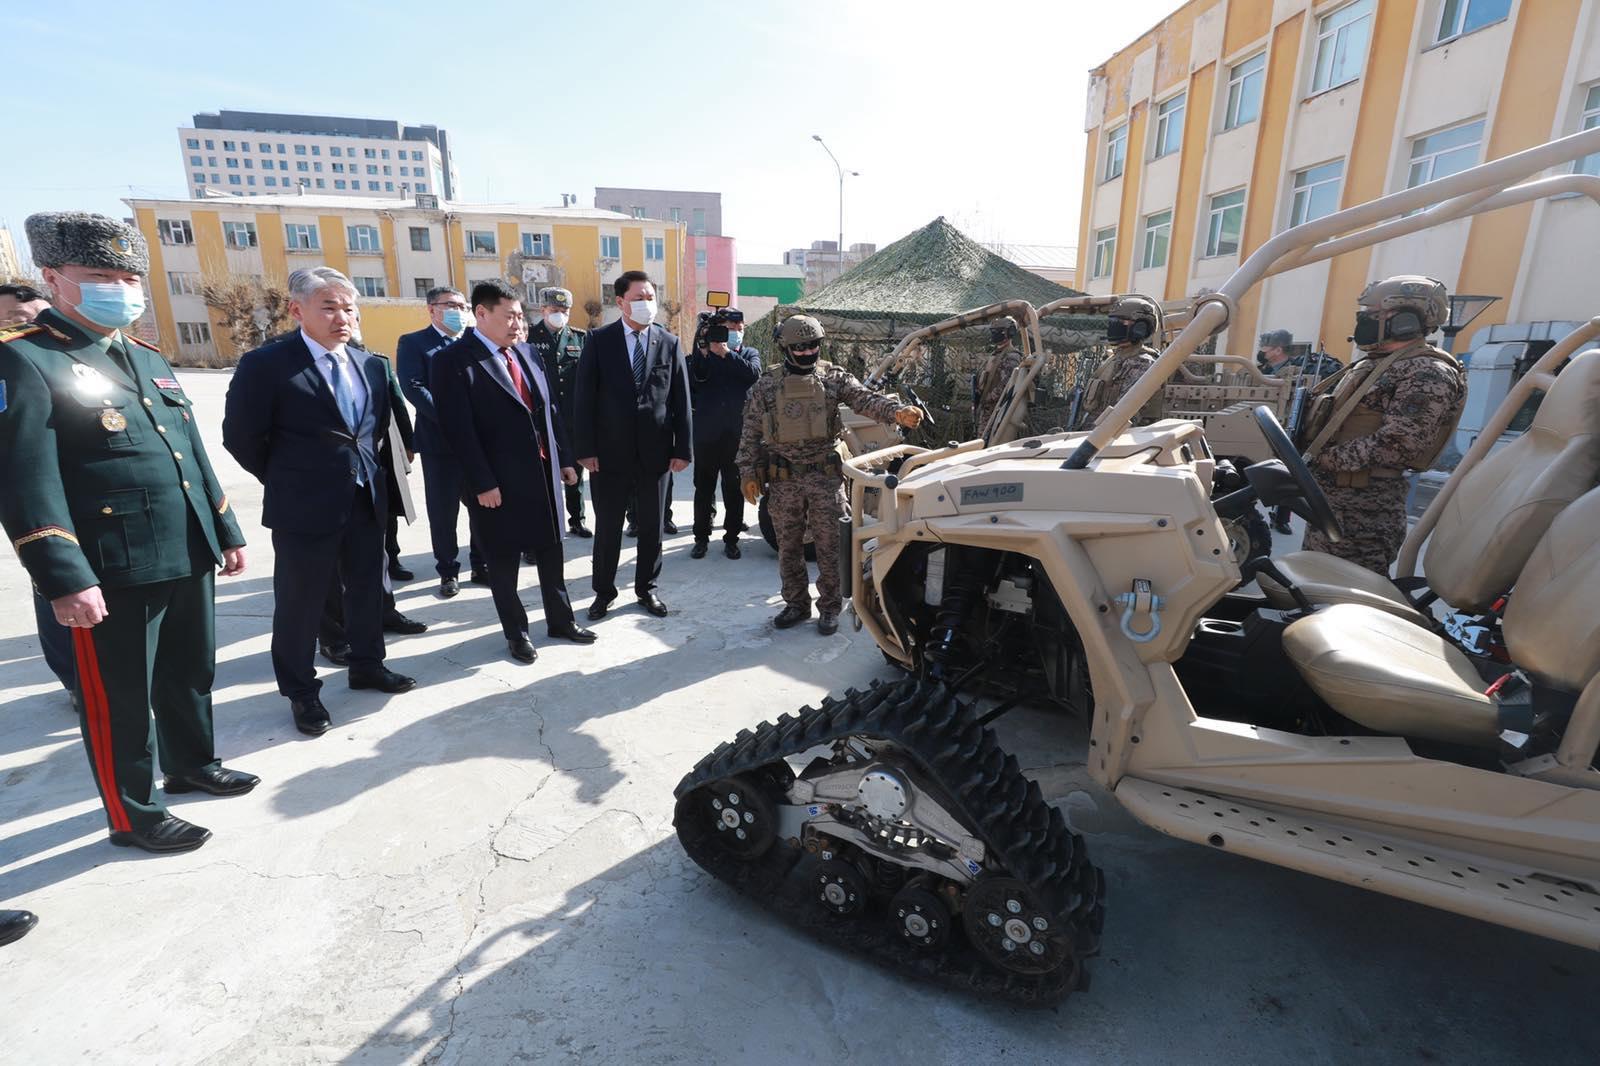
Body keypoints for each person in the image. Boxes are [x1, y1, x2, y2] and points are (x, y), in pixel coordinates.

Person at [0, 212, 256, 854]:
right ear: (55, 278)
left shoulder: (145, 355)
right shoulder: (26, 357)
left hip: (185, 545)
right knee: (118, 698)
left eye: (129, 277)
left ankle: (192, 764)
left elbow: (187, 449)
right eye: (101, 276)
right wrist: (64, 577)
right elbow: (26, 478)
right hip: (109, 563)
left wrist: (223, 526)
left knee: (189, 671)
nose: (120, 288)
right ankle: (134, 814)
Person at [223, 267, 415, 739]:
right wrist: (287, 478)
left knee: (368, 588)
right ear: (297, 310)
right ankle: (301, 691)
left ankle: (368, 664)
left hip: (365, 496)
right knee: (301, 602)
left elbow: (373, 430)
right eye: (329, 307)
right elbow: (241, 437)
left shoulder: (370, 364)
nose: (342, 318)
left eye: (349, 308)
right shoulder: (267, 364)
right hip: (303, 505)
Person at [428, 281, 594, 662]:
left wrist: (564, 459)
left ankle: (561, 621)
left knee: (551, 551)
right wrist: (482, 482)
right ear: (481, 314)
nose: (518, 324)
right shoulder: (453, 361)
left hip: (542, 472)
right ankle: (517, 634)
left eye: (520, 316)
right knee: (503, 562)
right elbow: (458, 431)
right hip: (496, 482)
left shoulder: (528, 352)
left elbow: (550, 410)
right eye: (509, 317)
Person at [738, 314, 922, 635]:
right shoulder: (767, 385)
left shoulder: (833, 378)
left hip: (825, 477)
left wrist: (896, 412)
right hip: (784, 479)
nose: (808, 352)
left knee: (830, 546)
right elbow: (750, 432)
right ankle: (796, 603)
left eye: (813, 345)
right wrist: (747, 471)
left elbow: (865, 400)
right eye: (800, 347)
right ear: (785, 347)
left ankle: (830, 607)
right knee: (789, 547)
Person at [1299, 275, 1467, 574]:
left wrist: (1322, 458)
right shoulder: (1373, 364)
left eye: (1374, 312)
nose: (1364, 318)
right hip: (1333, 504)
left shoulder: (1427, 372)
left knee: (1342, 593)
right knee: (1310, 585)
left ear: (1406, 320)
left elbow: (1399, 444)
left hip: (1364, 514)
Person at [571, 270, 692, 619]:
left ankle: (646, 589)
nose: (646, 304)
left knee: (652, 527)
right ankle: (603, 592)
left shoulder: (668, 342)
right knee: (608, 527)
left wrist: (683, 449)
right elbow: (583, 399)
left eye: (650, 298)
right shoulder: (599, 341)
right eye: (639, 298)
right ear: (621, 301)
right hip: (608, 453)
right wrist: (585, 450)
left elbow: (681, 400)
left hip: (656, 453)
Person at [0, 283, 76, 693]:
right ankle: (75, 679)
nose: (30, 329)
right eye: (13, 321)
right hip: (38, 498)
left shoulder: (68, 356)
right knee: (57, 579)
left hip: (90, 489)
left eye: (39, 318)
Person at [396, 286, 486, 597]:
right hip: (440, 443)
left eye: (463, 306)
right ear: (432, 309)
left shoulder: (474, 341)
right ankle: (448, 570)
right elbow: (413, 386)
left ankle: (481, 564)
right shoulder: (414, 343)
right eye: (450, 305)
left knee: (482, 504)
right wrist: (453, 418)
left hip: (477, 441)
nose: (458, 311)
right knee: (443, 511)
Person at [688, 312, 761, 559]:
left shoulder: (749, 353)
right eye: (731, 327)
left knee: (733, 488)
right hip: (707, 434)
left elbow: (753, 374)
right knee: (703, 488)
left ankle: (731, 539)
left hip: (736, 435)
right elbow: (695, 377)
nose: (736, 332)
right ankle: (701, 538)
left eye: (740, 327)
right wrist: (704, 348)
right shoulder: (704, 353)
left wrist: (726, 354)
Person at [526, 287, 592, 539]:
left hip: (572, 416)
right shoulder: (529, 337)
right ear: (543, 310)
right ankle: (547, 523)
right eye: (555, 310)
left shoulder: (579, 338)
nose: (560, 315)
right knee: (542, 475)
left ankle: (577, 519)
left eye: (564, 310)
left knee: (575, 471)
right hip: (540, 417)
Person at [1079, 295, 1164, 427]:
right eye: (1112, 321)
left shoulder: (1142, 363)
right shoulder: (1115, 358)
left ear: (1139, 328)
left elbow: (1125, 414)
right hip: (1093, 433)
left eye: (1120, 321)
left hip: (1112, 436)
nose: (1114, 326)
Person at [972, 315, 1022, 434]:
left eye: (998, 331)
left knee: (988, 440)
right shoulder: (996, 354)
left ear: (1009, 332)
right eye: (993, 331)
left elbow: (1006, 386)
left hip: (997, 410)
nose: (994, 334)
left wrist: (988, 399)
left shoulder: (1012, 356)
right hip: (987, 408)